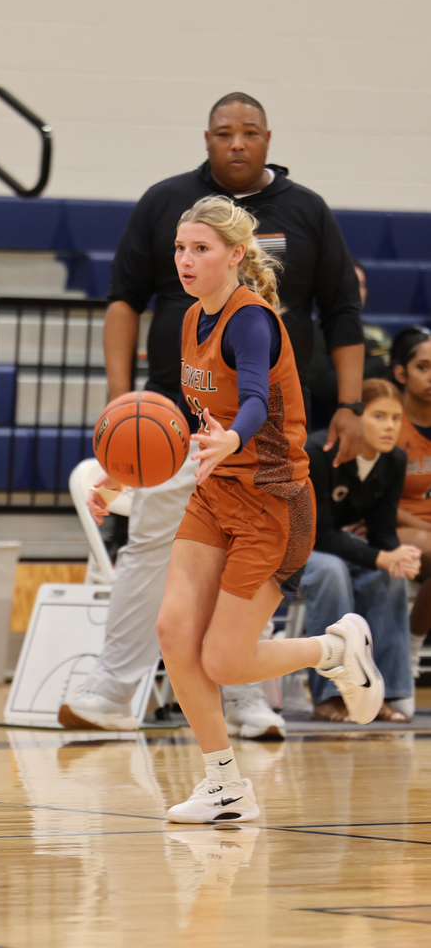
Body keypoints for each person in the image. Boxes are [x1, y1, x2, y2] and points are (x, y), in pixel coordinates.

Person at [58, 91, 365, 737]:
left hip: (258, 444)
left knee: (244, 565)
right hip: (175, 422)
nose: (236, 142)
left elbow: (341, 314)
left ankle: (247, 695)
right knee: (151, 550)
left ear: (268, 139)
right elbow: (124, 301)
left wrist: (350, 403)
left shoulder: (303, 218)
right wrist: (123, 405)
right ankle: (118, 689)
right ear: (206, 138)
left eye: (249, 132)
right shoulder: (168, 204)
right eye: (224, 132)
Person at [153, 196, 382, 823]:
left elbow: (252, 397)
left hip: (275, 503)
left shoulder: (251, 319)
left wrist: (233, 436)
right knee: (174, 632)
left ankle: (333, 651)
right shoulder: (189, 317)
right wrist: (127, 478)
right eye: (180, 247)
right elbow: (195, 417)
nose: (186, 260)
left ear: (234, 255)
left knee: (224, 659)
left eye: (200, 248)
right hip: (216, 493)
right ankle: (224, 785)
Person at [301, 379, 419, 722]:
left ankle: (389, 693)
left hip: (338, 546)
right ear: (355, 419)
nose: (389, 426)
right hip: (296, 546)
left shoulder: (394, 460)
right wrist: (382, 556)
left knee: (390, 577)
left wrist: (398, 557)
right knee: (330, 572)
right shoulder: (320, 452)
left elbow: (382, 531)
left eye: (396, 418)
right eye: (379, 416)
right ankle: (331, 696)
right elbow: (318, 535)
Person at [307, 261, 393, 427]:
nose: (355, 291)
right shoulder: (313, 332)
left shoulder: (379, 332)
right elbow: (323, 386)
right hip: (330, 426)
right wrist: (379, 363)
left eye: (360, 285)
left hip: (384, 422)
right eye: (348, 284)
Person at [391, 327, 431, 676]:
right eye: (423, 367)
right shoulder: (388, 423)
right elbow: (377, 504)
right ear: (401, 372)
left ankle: (409, 651)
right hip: (394, 525)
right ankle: (410, 656)